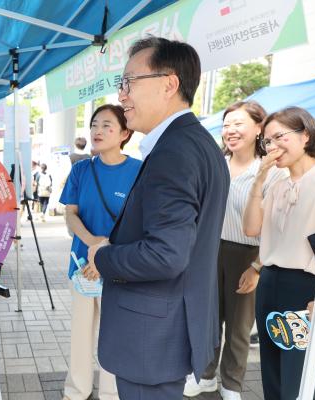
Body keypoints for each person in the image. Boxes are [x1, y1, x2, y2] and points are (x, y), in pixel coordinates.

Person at [86, 36, 229, 399]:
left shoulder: (174, 152)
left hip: (151, 338)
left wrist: (102, 256)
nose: (122, 96)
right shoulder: (198, 143)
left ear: (169, 84)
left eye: (129, 82)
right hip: (168, 328)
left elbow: (166, 254)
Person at [184, 101, 286, 400]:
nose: (230, 130)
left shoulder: (271, 171)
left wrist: (257, 266)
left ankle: (231, 384)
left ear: (258, 128)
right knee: (207, 320)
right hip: (208, 251)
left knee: (240, 329)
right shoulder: (215, 163)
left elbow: (276, 227)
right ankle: (204, 376)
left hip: (249, 254)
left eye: (238, 123)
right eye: (226, 124)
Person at [60, 104, 141, 400]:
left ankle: (111, 393)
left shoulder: (138, 171)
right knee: (80, 335)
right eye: (94, 124)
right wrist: (93, 243)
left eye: (107, 125)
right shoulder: (81, 169)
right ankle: (76, 391)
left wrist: (104, 252)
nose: (98, 130)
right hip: (82, 265)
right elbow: (70, 214)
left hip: (118, 267)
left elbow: (139, 222)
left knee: (114, 337)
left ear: (124, 133)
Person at [243, 106, 315, 400]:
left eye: (279, 137)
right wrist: (259, 180)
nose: (272, 146)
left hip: (306, 290)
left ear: (305, 135)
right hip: (271, 283)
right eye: (267, 141)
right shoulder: (276, 183)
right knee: (271, 370)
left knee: (299, 378)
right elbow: (251, 228)